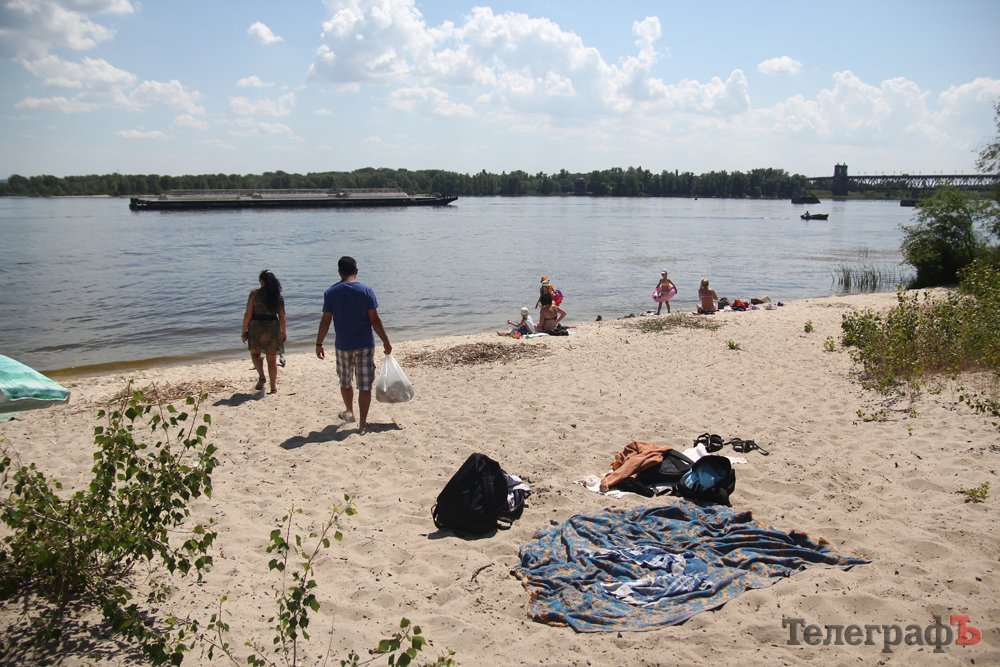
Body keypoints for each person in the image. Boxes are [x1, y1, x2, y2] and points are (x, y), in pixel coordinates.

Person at [315, 256, 392, 435]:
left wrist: (319, 343)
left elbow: (325, 321)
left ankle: (349, 412)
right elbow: (375, 320)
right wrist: (386, 341)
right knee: (364, 385)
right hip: (365, 344)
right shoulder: (366, 291)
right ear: (356, 271)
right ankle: (363, 423)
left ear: (339, 272)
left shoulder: (331, 293)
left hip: (343, 345)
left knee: (345, 381)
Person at [241, 269, 287, 394]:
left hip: (256, 327)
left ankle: (261, 376)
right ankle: (273, 388)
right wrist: (283, 332)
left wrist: (244, 331)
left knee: (255, 354)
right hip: (272, 328)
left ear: (262, 281)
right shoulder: (278, 296)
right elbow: (282, 317)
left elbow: (247, 314)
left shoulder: (254, 294)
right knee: (271, 360)